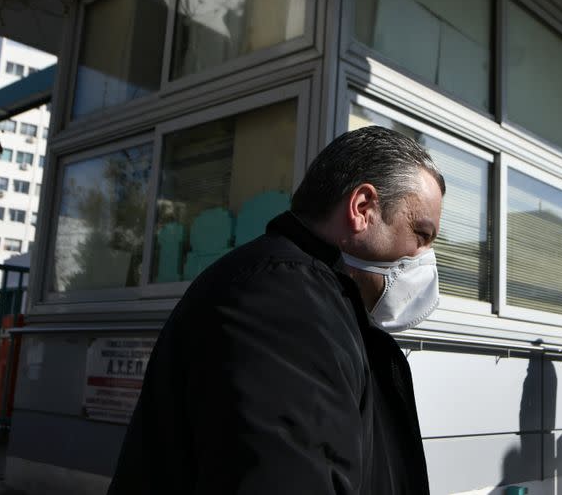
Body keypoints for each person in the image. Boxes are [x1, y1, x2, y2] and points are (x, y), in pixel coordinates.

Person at [107, 125, 446, 494]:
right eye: (421, 234)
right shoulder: (283, 303)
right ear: (363, 208)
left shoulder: (318, 300)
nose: (423, 257)